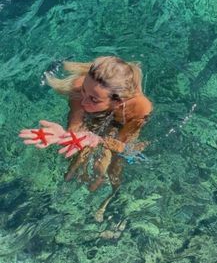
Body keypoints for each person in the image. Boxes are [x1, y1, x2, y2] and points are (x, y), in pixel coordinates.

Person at [19, 56, 152, 220]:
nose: (83, 101)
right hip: (97, 114)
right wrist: (65, 136)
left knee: (113, 167)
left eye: (93, 99)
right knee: (79, 157)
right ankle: (62, 203)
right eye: (84, 91)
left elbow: (126, 148)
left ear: (118, 102)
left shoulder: (140, 109)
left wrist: (100, 141)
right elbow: (76, 128)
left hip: (122, 123)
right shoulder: (79, 87)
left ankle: (110, 200)